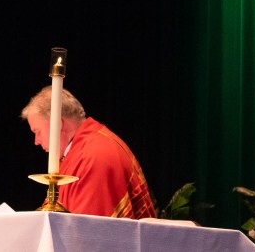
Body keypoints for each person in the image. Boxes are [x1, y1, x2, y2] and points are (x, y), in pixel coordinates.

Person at [21, 86, 156, 218]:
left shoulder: (93, 156)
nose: (36, 141)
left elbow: (90, 231)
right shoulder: (82, 149)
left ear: (58, 124)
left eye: (37, 132)